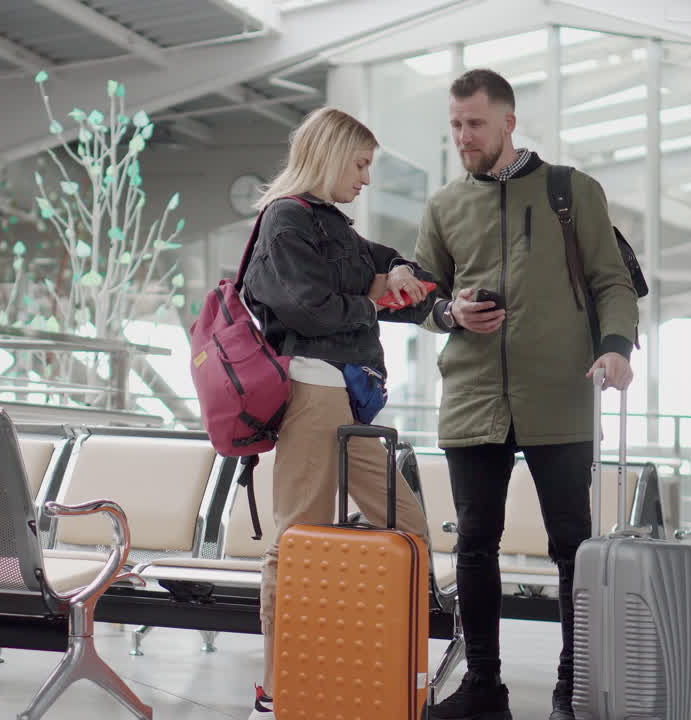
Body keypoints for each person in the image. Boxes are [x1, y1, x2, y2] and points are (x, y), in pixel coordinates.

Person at [415, 69, 638, 720]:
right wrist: (451, 314)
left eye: (475, 124)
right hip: (473, 395)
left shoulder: (572, 192)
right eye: (455, 124)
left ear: (508, 122)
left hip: (560, 396)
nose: (463, 137)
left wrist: (616, 347)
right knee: (474, 544)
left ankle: (573, 688)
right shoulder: (443, 206)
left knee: (572, 545)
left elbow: (613, 283)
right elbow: (420, 299)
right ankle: (484, 689)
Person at [240, 106, 436, 720]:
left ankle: (358, 665)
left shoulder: (335, 229)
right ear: (328, 156)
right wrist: (378, 292)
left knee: (409, 530)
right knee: (296, 540)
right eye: (359, 163)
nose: (366, 178)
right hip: (311, 391)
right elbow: (311, 308)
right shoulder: (285, 222)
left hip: (350, 402)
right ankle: (278, 688)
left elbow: (401, 277)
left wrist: (410, 282)